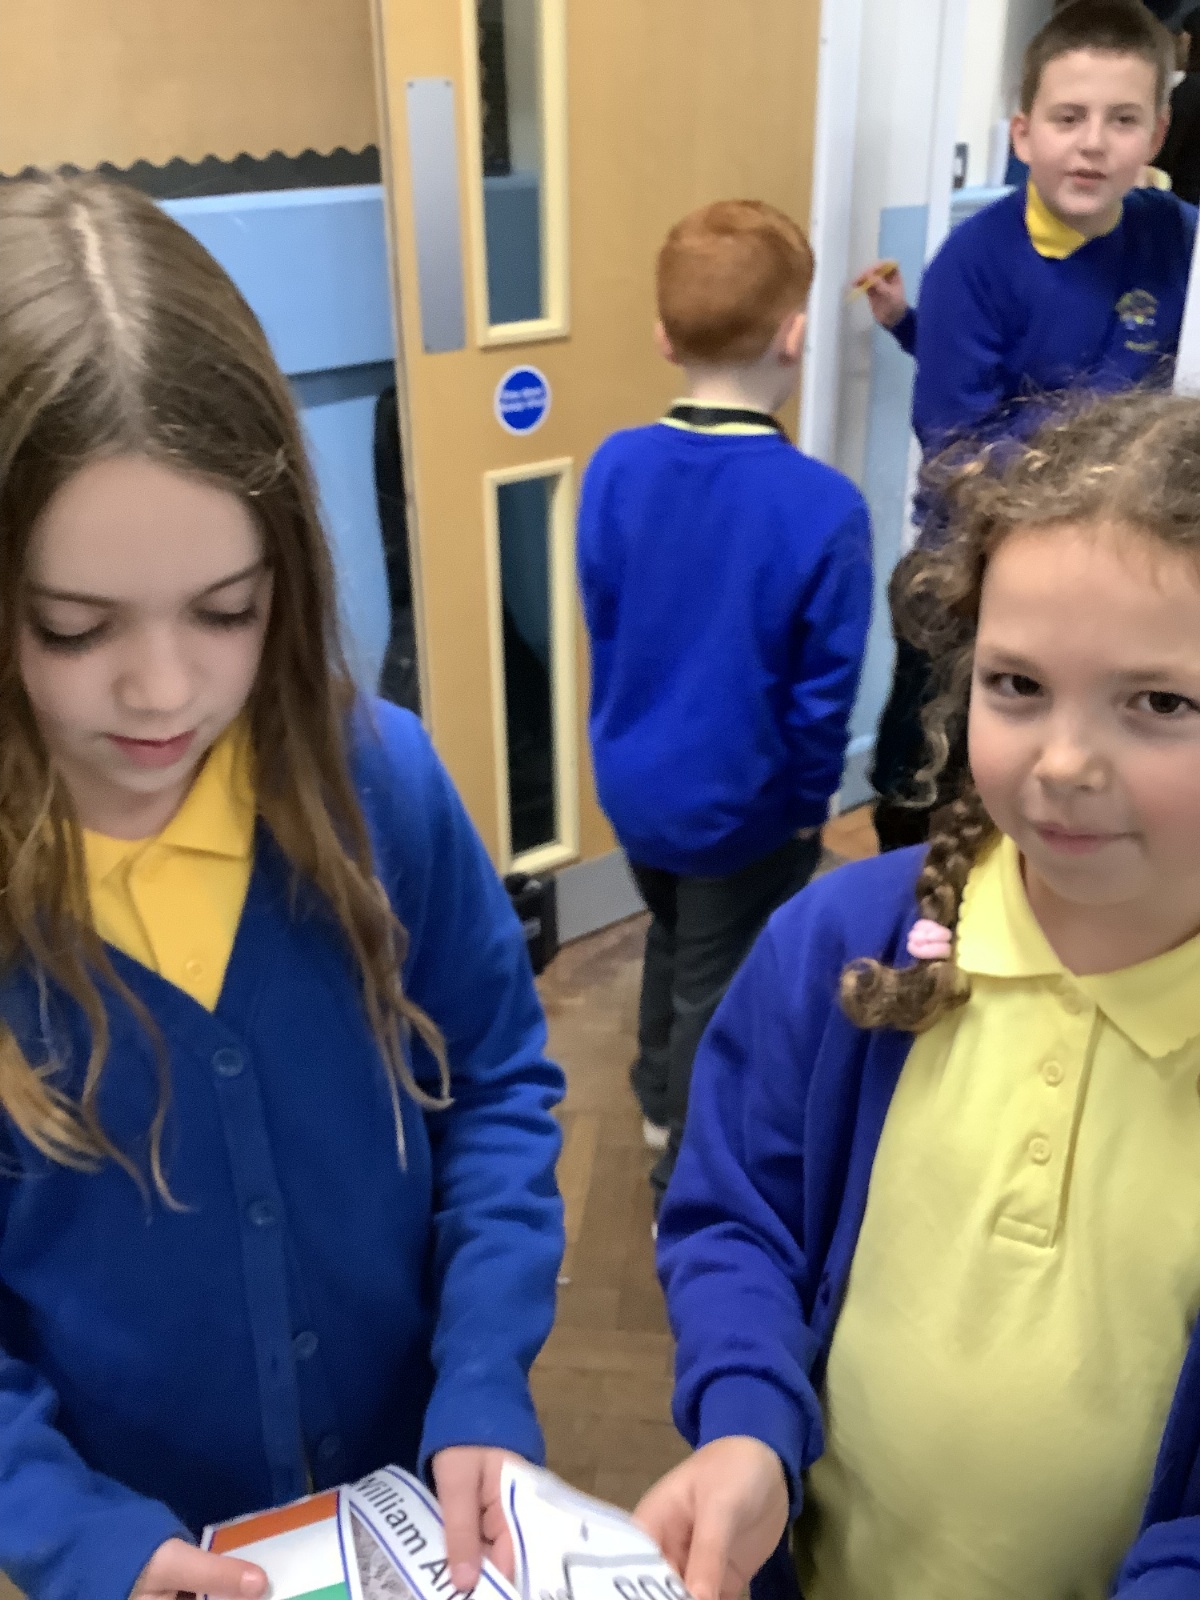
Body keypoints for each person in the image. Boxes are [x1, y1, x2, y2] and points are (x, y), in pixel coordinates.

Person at [0, 174, 565, 1600]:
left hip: (418, 1523)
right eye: (73, 628)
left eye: (226, 611)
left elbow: (498, 1083)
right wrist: (84, 1538)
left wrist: (483, 1374)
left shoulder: (382, 787)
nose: (163, 692)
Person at [636, 388, 1200, 1600]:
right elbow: (736, 1214)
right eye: (1017, 684)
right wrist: (746, 1424)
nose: (1062, 763)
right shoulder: (843, 944)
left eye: (1160, 702)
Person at [577, 200, 872, 1210]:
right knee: (720, 976)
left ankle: (655, 1092)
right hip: (743, 805)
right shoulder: (824, 506)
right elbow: (823, 693)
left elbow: (606, 617)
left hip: (632, 782)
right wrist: (809, 800)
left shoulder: (613, 467)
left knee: (676, 934)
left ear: (664, 336)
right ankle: (688, 1173)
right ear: (796, 333)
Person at [872, 0, 1196, 854]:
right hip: (966, 571)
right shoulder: (973, 265)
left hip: (1115, 564)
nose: (1093, 144)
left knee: (1071, 765)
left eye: (1122, 120)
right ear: (1022, 134)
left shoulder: (1174, 239)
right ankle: (907, 887)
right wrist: (1109, 472)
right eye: (1068, 118)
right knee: (927, 772)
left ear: (1157, 134)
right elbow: (955, 447)